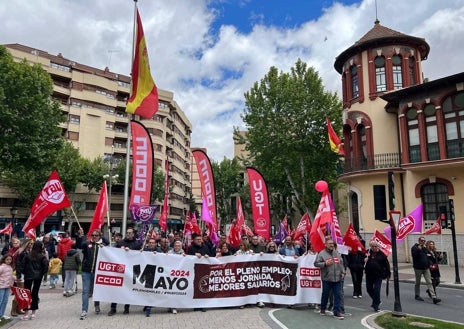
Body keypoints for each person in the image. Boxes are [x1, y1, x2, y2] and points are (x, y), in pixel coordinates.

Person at [108, 227, 141, 316]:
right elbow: (113, 253)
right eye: (127, 232)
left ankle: (126, 308)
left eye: (130, 233)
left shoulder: (137, 244)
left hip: (130, 271)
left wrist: (140, 252)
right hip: (120, 270)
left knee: (128, 289)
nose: (128, 234)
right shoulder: (120, 243)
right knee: (116, 289)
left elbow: (141, 256)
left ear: (133, 234)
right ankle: (113, 308)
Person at [77, 228, 109, 320]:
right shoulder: (87, 244)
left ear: (99, 236)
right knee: (85, 291)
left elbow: (108, 241)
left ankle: (97, 305)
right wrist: (80, 236)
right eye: (93, 235)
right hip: (86, 271)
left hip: (97, 272)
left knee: (97, 290)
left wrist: (102, 238)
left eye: (96, 235)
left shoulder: (103, 245)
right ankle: (84, 310)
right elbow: (79, 245)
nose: (94, 237)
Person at [314, 238, 345, 320]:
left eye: (332, 243)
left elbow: (341, 263)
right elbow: (316, 263)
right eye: (330, 243)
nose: (331, 245)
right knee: (325, 294)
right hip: (327, 278)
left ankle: (337, 312)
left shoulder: (336, 253)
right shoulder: (321, 253)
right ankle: (323, 308)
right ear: (326, 244)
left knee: (338, 295)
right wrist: (325, 263)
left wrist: (343, 272)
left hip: (337, 278)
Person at [16, 240, 49, 320]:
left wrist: (22, 273)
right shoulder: (42, 256)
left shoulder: (28, 256)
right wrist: (42, 273)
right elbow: (46, 266)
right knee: (35, 293)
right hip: (38, 277)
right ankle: (33, 313)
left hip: (28, 276)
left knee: (26, 294)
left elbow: (22, 265)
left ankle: (26, 313)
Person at [411, 236, 441, 304]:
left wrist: (430, 264)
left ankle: (434, 297)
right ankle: (417, 295)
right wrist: (418, 249)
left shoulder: (425, 248)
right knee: (417, 282)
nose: (423, 242)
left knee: (429, 282)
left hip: (426, 268)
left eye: (424, 241)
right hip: (418, 268)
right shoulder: (414, 248)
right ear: (419, 241)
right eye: (422, 241)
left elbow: (428, 257)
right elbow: (414, 256)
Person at [364, 241, 389, 312]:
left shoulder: (382, 255)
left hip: (378, 275)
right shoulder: (368, 253)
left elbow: (386, 265)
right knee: (369, 289)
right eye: (372, 246)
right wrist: (364, 260)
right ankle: (377, 300)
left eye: (375, 246)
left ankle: (376, 306)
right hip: (369, 274)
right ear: (370, 246)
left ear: (378, 246)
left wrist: (386, 274)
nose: (374, 248)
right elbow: (362, 260)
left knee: (377, 290)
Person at [188, 233, 210, 312]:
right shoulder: (190, 248)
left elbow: (211, 256)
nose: (199, 241)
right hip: (194, 270)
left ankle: (203, 305)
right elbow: (187, 257)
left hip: (204, 270)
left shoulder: (206, 247)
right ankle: (196, 305)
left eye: (200, 239)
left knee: (203, 287)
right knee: (195, 288)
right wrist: (194, 255)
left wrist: (208, 255)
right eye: (197, 240)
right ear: (194, 240)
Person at [0, 254, 14, 321]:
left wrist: (15, 279)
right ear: (4, 259)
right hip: (1, 286)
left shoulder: (10, 267)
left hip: (7, 286)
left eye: (10, 259)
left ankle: (1, 314)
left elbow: (11, 276)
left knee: (5, 301)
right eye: (7, 259)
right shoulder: (1, 267)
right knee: (0, 300)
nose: (9, 261)